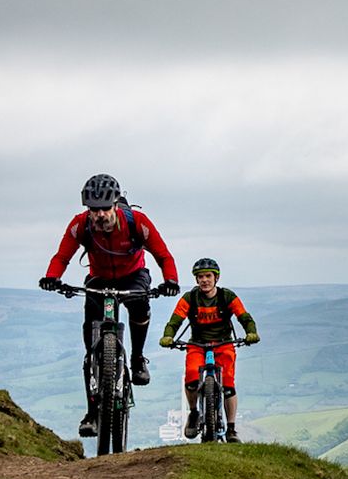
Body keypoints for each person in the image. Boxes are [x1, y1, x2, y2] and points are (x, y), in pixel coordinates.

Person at [39, 174, 180, 438]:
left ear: (116, 204)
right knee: (91, 347)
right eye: (94, 209)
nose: (100, 214)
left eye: (105, 208)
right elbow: (62, 256)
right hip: (99, 278)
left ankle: (137, 359)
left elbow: (163, 255)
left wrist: (170, 281)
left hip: (133, 275)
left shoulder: (137, 222)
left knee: (139, 304)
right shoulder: (80, 225)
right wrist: (51, 277)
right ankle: (92, 413)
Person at [158, 257, 259, 441]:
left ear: (216, 278)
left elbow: (244, 316)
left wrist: (251, 332)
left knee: (228, 384)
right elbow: (175, 320)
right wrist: (168, 336)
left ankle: (231, 428)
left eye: (208, 276)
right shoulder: (190, 298)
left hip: (223, 343)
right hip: (198, 344)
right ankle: (194, 412)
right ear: (196, 280)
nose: (204, 280)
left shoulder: (227, 296)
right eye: (200, 277)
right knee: (191, 377)